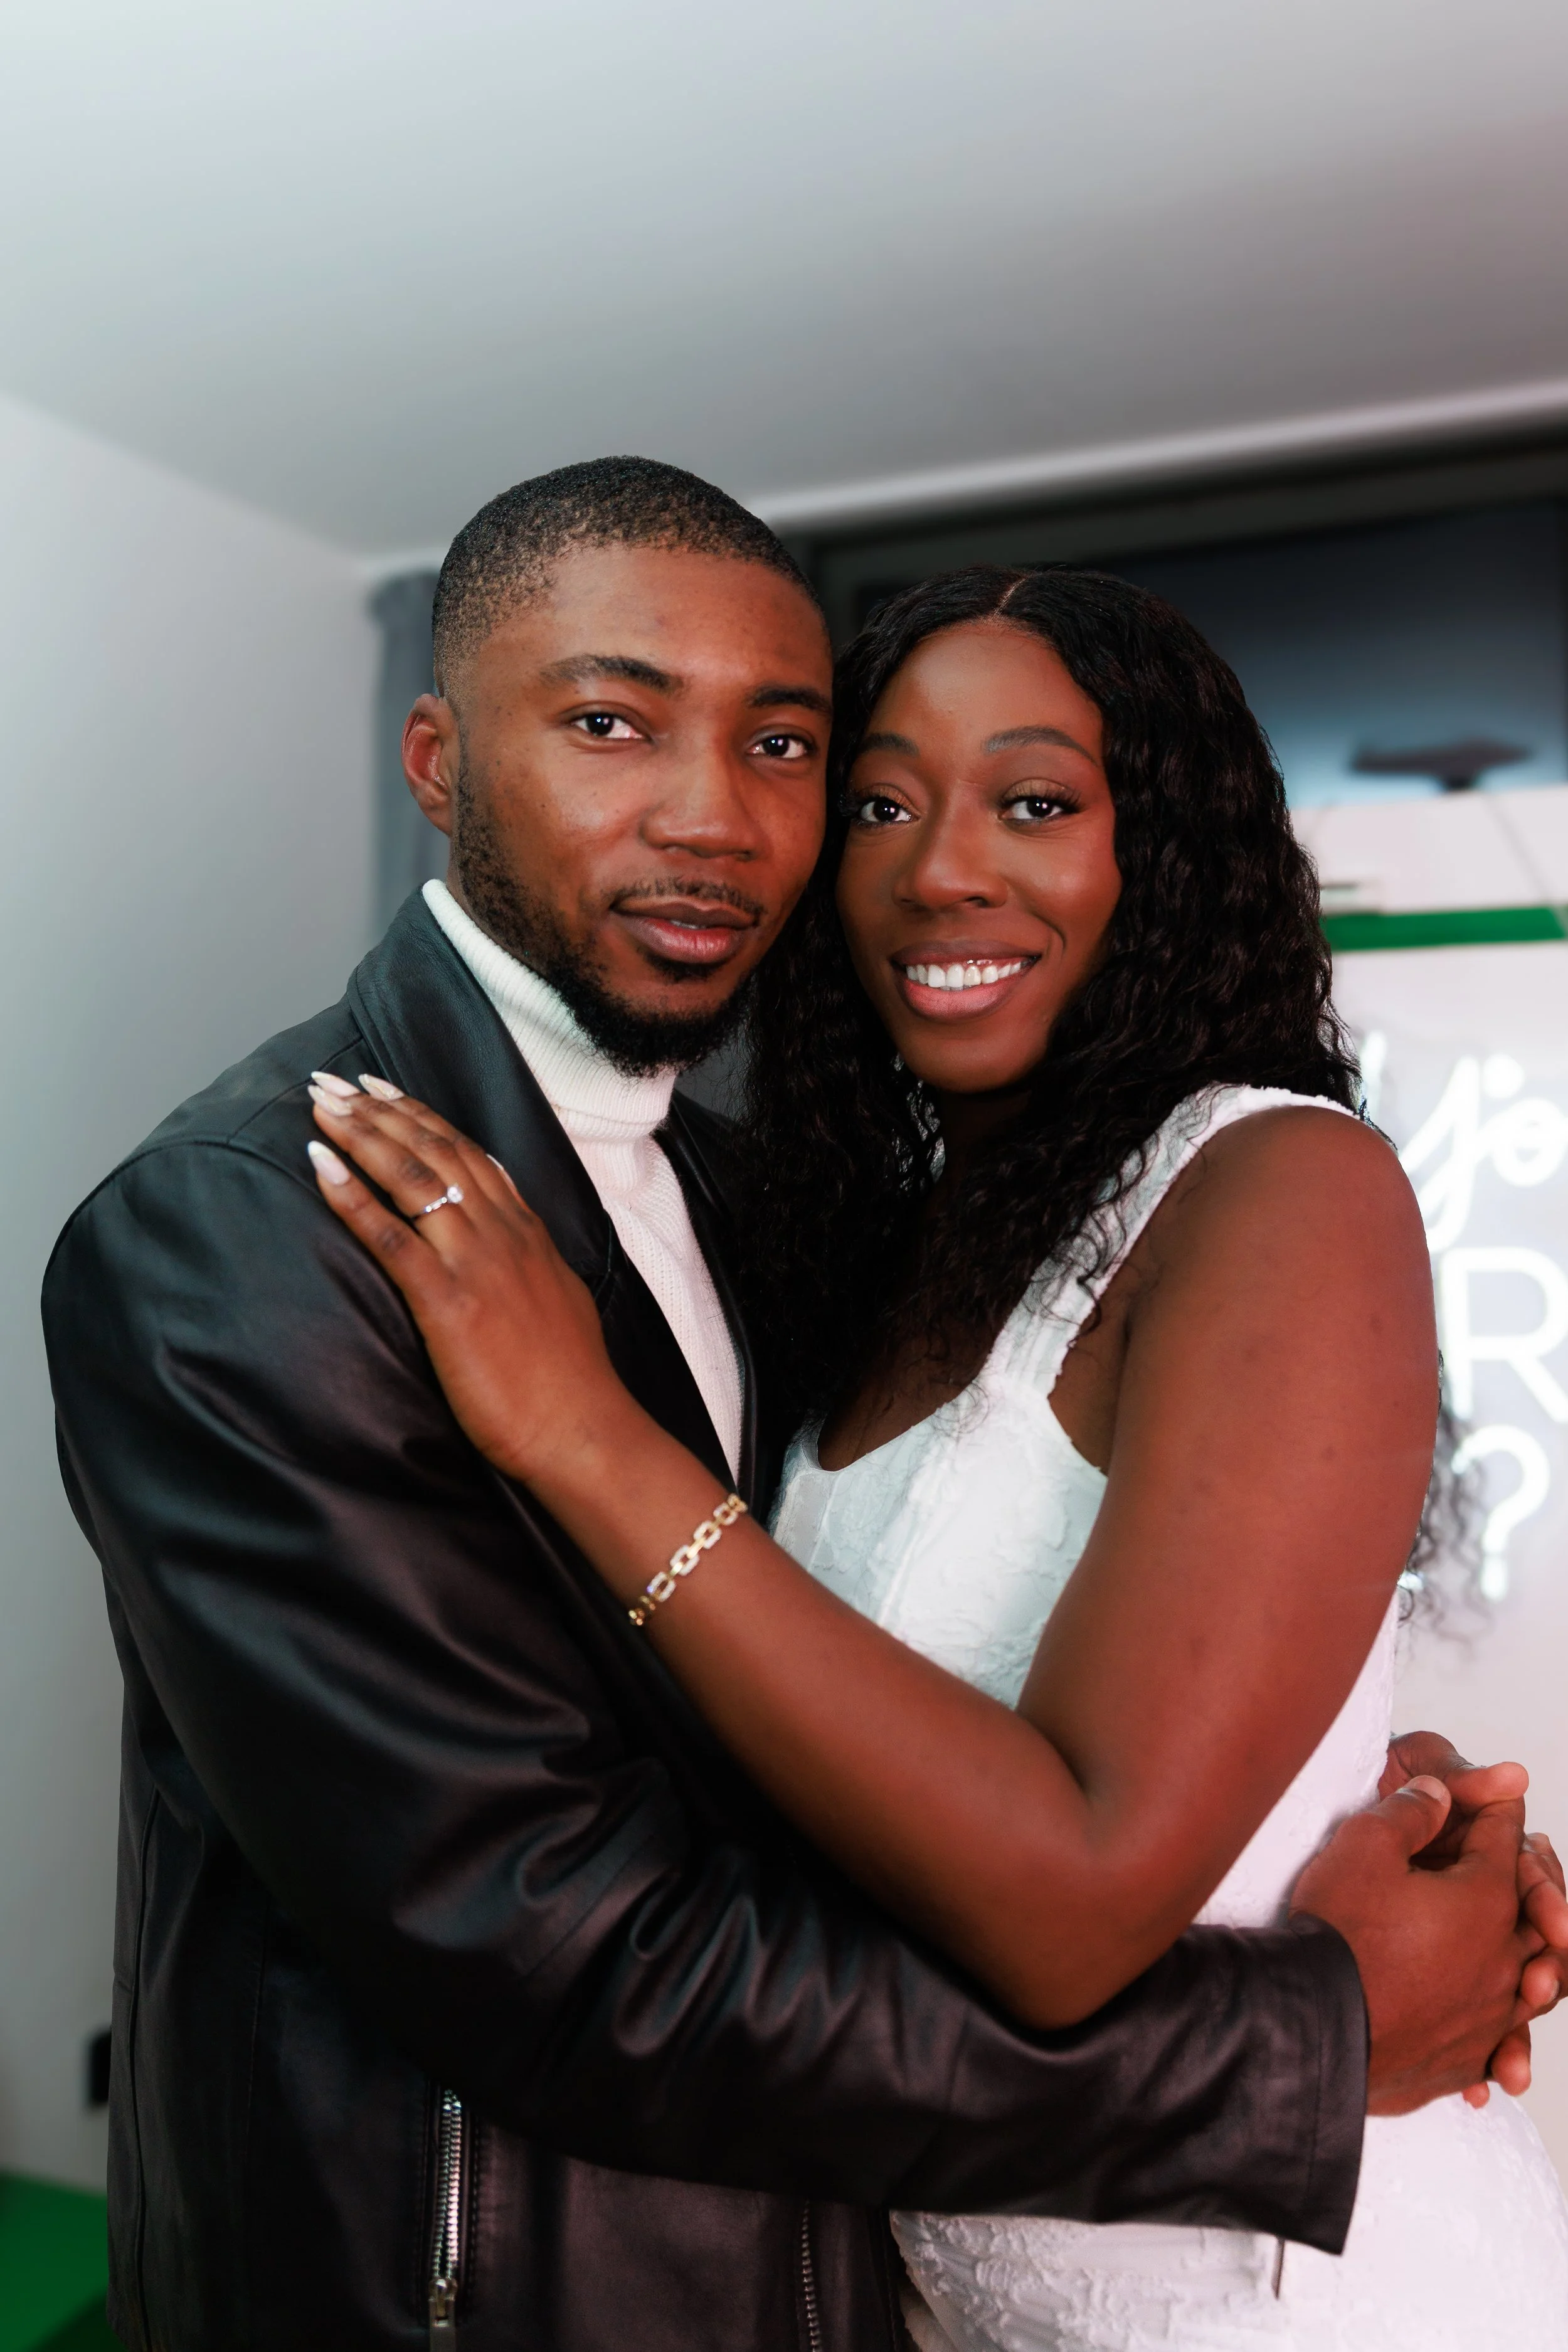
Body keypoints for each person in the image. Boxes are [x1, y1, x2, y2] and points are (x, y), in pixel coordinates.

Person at [42, 463, 1562, 2352]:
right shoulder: (257, 1230)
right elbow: (582, 1964)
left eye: (778, 746)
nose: (712, 818)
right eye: (610, 722)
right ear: (434, 760)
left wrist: (1367, 1788)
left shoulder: (777, 1205)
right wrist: (1303, 2037)